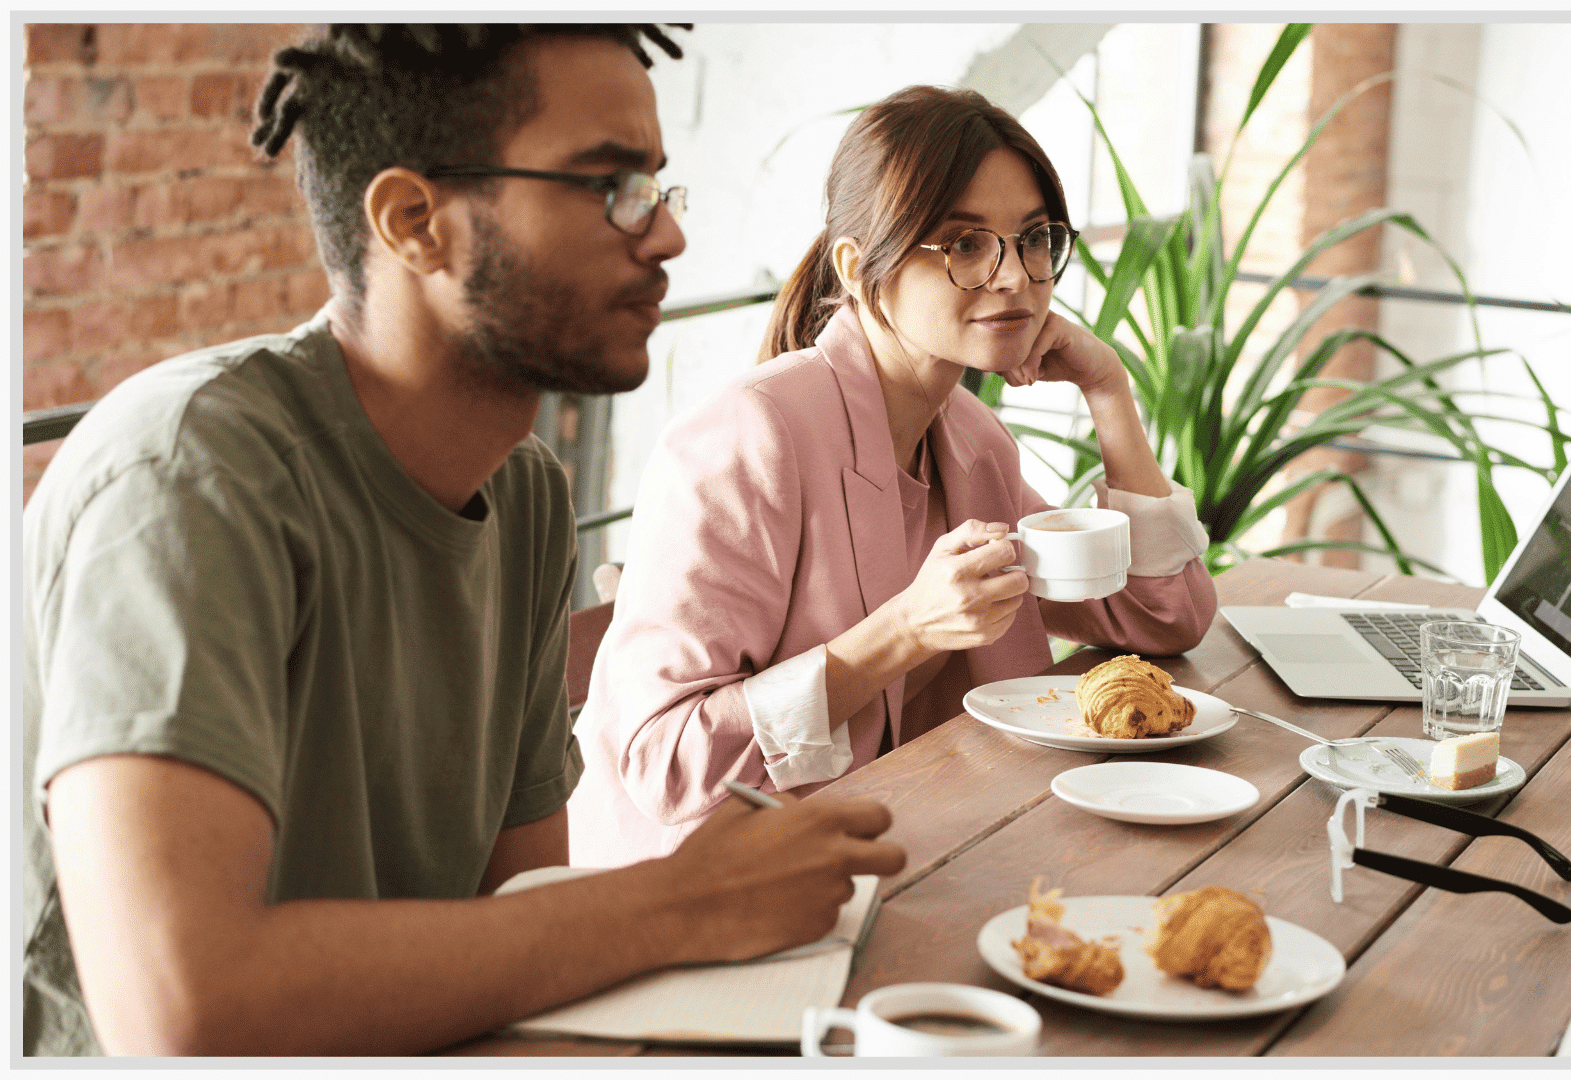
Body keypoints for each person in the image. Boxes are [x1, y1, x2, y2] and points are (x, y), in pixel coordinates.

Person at [21, 23, 903, 1057]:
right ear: (413, 221)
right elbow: (183, 1008)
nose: (666, 237)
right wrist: (681, 903)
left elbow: (517, 903)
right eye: (609, 185)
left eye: (659, 187)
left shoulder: (523, 495)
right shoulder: (191, 477)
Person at [570, 85, 1218, 865]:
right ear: (857, 266)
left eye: (1034, 238)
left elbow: (1165, 620)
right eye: (967, 244)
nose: (1016, 276)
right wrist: (905, 630)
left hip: (908, 848)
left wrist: (1109, 392)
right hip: (704, 895)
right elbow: (668, 763)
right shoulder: (748, 436)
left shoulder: (973, 445)